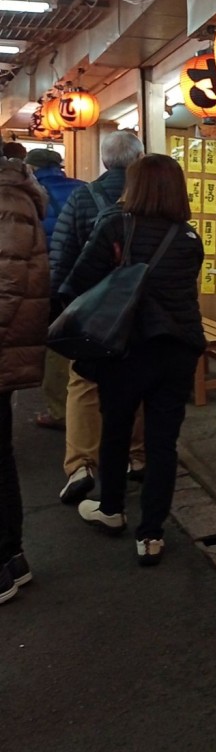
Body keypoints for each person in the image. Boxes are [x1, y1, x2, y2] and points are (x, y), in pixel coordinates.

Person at [62, 154, 205, 566]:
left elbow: (78, 283)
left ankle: (111, 509)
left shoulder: (114, 224)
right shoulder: (189, 236)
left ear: (135, 185)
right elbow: (184, 293)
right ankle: (152, 535)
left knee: (117, 429)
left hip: (124, 347)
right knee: (163, 442)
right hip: (177, 348)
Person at [49, 130, 145, 504]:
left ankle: (80, 464)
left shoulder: (81, 196)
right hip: (137, 306)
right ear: (138, 159)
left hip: (91, 306)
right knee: (135, 380)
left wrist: (60, 306)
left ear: (105, 161)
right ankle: (135, 457)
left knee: (84, 382)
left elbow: (62, 255)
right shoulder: (150, 198)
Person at [0, 155, 50, 603]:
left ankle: (6, 558)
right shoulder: (17, 200)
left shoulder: (8, 202)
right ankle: (9, 556)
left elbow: (9, 284)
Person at [24, 147, 85, 430]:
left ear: (32, 168)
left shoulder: (30, 196)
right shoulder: (84, 189)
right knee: (87, 339)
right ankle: (89, 403)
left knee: (56, 342)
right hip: (87, 276)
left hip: (48, 278)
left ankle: (60, 410)